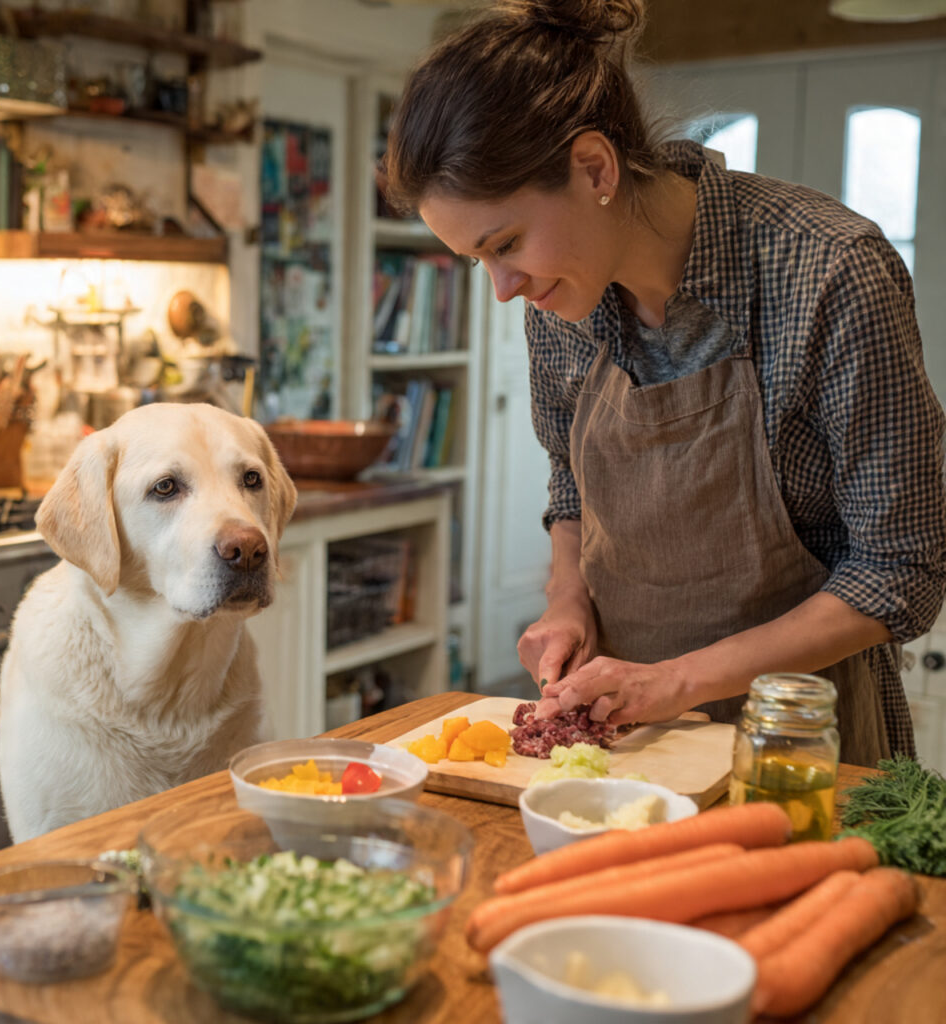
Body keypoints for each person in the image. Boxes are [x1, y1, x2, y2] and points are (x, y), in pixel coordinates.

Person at [381, 0, 946, 767]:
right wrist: (566, 601)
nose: (503, 289)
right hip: (626, 738)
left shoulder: (829, 271)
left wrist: (674, 681)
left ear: (595, 168)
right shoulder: (561, 300)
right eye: (477, 260)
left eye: (506, 244)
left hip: (798, 742)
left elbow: (901, 571)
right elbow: (570, 484)